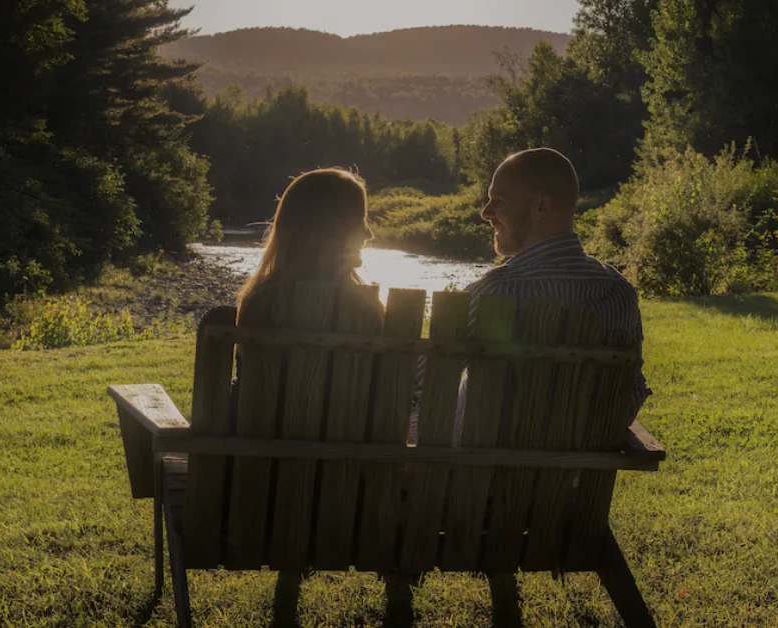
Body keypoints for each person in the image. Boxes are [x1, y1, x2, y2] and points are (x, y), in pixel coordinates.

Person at [407, 148, 651, 446]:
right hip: (569, 490)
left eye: (499, 202)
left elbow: (422, 386)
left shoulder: (496, 292)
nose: (486, 213)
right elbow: (630, 395)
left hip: (466, 486)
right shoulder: (619, 292)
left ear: (539, 207)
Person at [231, 167, 380, 627]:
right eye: (361, 219)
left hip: (258, 495)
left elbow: (246, 404)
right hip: (351, 498)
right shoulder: (368, 311)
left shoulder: (260, 304)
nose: (370, 231)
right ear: (338, 230)